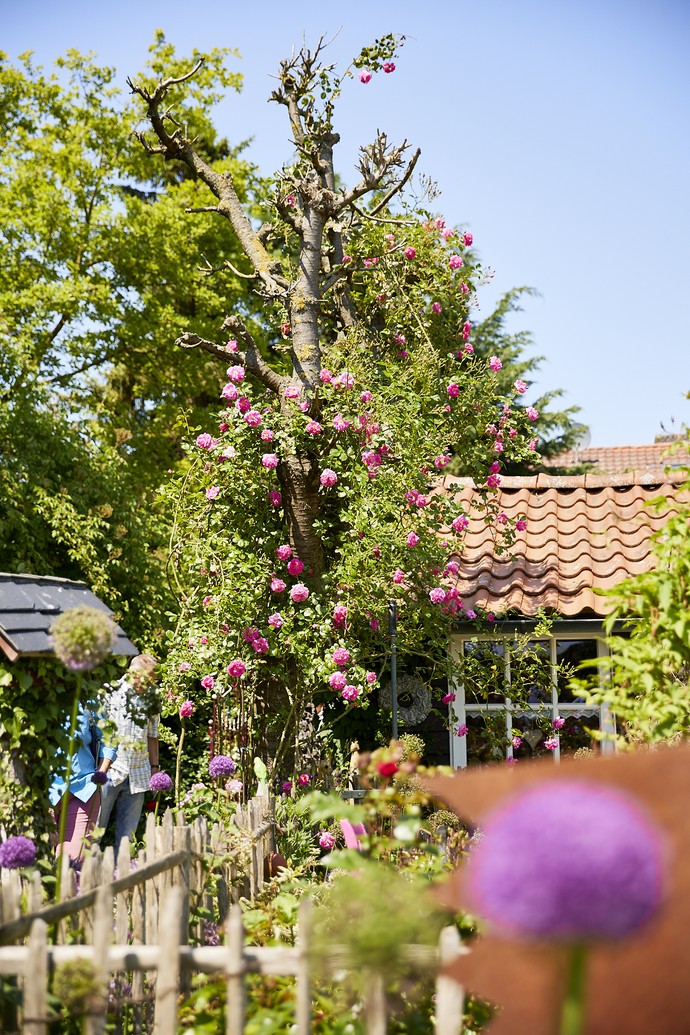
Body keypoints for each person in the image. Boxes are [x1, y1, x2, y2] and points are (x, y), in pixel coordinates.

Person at [97, 654, 161, 849]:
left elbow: (152, 735)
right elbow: (97, 732)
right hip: (109, 772)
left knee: (128, 839)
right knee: (94, 832)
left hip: (138, 773)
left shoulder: (152, 698)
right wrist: (100, 770)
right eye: (150, 677)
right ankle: (82, 876)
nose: (153, 683)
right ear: (134, 672)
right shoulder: (110, 692)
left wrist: (154, 768)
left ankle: (123, 874)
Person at [49, 701, 116, 867]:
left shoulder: (89, 698)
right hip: (44, 793)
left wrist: (101, 772)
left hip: (83, 790)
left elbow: (109, 738)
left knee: (73, 863)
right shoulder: (37, 692)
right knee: (37, 862)